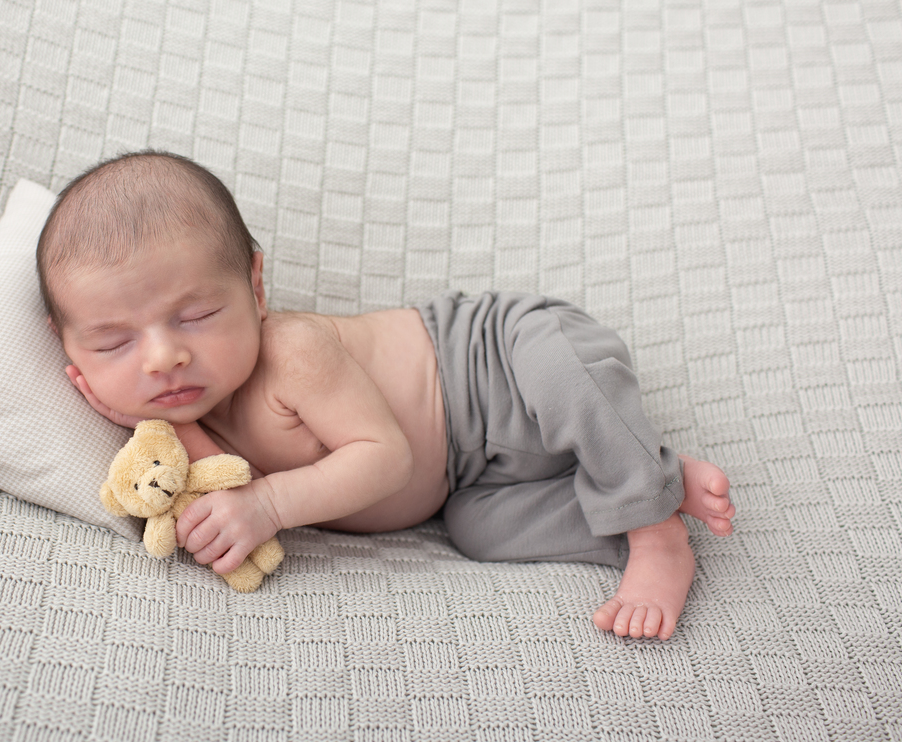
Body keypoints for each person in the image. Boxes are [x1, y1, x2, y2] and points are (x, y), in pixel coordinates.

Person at [36, 150, 735, 640]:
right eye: (112, 344)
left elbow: (385, 458)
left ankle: (651, 532)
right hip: (471, 483)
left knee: (561, 376)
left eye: (195, 315)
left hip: (499, 363)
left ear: (253, 288)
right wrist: (149, 421)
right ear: (70, 354)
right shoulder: (182, 423)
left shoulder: (293, 351)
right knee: (481, 533)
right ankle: (654, 485)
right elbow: (221, 487)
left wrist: (269, 506)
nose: (165, 356)